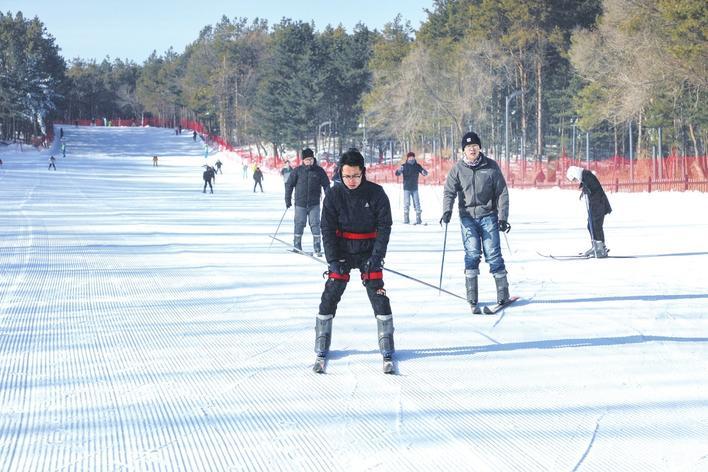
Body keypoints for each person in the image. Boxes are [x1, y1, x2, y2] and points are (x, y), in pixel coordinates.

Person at [315, 149, 395, 370]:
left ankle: (387, 343)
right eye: (347, 176)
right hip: (342, 251)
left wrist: (376, 258)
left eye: (356, 176)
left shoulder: (377, 194)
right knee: (332, 289)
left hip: (369, 251)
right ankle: (321, 341)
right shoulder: (333, 195)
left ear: (363, 173)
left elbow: (384, 227)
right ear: (340, 173)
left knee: (377, 293)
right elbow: (327, 229)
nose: (351, 181)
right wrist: (332, 260)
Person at [440, 131, 511, 313]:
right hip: (467, 217)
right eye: (468, 147)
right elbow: (449, 191)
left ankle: (503, 293)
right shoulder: (457, 169)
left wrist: (503, 218)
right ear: (463, 150)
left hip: (489, 215)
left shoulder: (491, 167)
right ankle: (472, 295)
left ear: (480, 148)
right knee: (472, 253)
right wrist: (447, 210)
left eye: (475, 146)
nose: (472, 149)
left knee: (493, 253)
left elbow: (502, 192)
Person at [284, 148, 330, 255]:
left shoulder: (319, 171)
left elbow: (326, 185)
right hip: (300, 203)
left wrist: (329, 199)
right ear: (303, 160)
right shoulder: (297, 171)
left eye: (311, 159)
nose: (309, 161)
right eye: (307, 160)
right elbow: (289, 185)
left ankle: (317, 246)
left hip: (314, 204)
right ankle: (297, 245)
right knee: (299, 223)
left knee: (315, 224)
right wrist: (287, 199)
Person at [566, 166, 612, 258]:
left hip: (599, 203)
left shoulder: (587, 175)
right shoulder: (584, 176)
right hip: (595, 204)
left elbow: (594, 186)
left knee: (596, 225)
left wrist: (587, 189)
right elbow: (589, 186)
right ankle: (596, 246)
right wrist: (584, 190)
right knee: (590, 225)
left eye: (574, 178)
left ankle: (600, 248)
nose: (576, 180)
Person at [395, 151, 429, 224]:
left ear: (414, 157)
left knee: (417, 203)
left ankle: (418, 218)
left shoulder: (417, 166)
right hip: (406, 188)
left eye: (412, 157)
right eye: (410, 157)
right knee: (406, 203)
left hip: (414, 188)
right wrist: (399, 170)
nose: (411, 158)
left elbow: (423, 171)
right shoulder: (404, 166)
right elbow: (397, 173)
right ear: (407, 158)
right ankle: (406, 218)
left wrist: (424, 172)